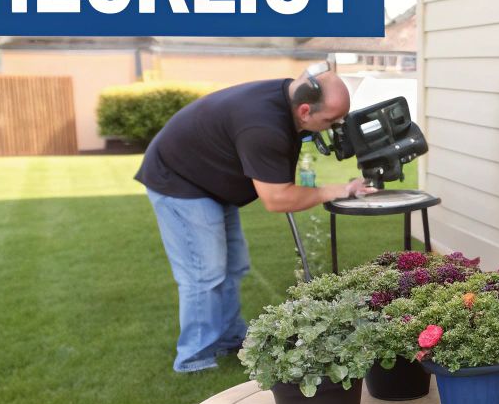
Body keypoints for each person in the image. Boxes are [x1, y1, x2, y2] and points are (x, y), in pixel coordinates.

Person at [135, 66, 376, 373]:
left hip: (210, 179)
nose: (332, 129)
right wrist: (336, 190)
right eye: (329, 121)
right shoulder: (263, 126)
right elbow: (277, 198)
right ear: (305, 110)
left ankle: (228, 337)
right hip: (181, 181)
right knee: (203, 273)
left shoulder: (287, 100)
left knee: (234, 265)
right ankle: (194, 358)